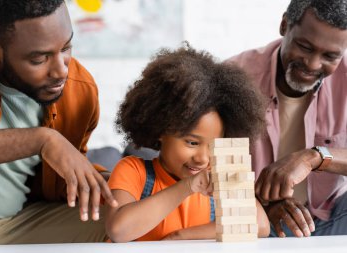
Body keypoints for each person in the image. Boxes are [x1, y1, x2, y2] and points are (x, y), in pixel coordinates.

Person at [0, 1, 118, 252]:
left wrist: (123, 183)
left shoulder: (81, 91)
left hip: (17, 225)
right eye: (39, 59)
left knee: (125, 218)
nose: (61, 71)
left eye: (66, 47)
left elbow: (65, 175)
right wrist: (43, 139)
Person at [104, 45, 270, 242]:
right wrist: (187, 187)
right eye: (192, 142)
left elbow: (260, 224)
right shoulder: (133, 171)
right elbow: (118, 230)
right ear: (162, 130)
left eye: (213, 147)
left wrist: (182, 236)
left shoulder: (218, 180)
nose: (202, 158)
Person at [226, 0, 347, 238]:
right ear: (284, 25)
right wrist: (259, 204)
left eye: (330, 56)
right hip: (253, 220)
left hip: (332, 216)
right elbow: (200, 165)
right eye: (304, 46)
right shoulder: (233, 77)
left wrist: (313, 157)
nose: (312, 64)